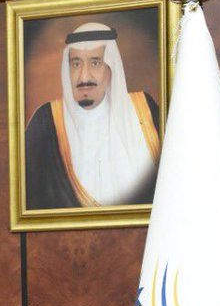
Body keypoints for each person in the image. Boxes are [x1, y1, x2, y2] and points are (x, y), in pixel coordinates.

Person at [24, 22, 161, 210]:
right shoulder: (45, 121)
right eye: (76, 64)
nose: (84, 77)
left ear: (111, 68)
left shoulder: (144, 110)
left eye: (95, 63)